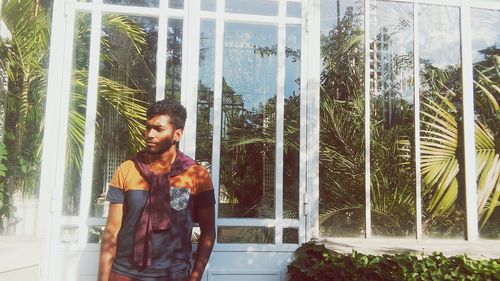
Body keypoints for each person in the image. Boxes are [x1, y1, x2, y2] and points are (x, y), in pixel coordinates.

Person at [98, 99, 216, 281]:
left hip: (174, 274)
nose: (149, 134)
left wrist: (195, 276)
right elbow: (112, 230)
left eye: (158, 129)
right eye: (148, 127)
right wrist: (102, 278)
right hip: (125, 273)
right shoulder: (127, 169)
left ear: (177, 135)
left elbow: (208, 231)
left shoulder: (196, 175)